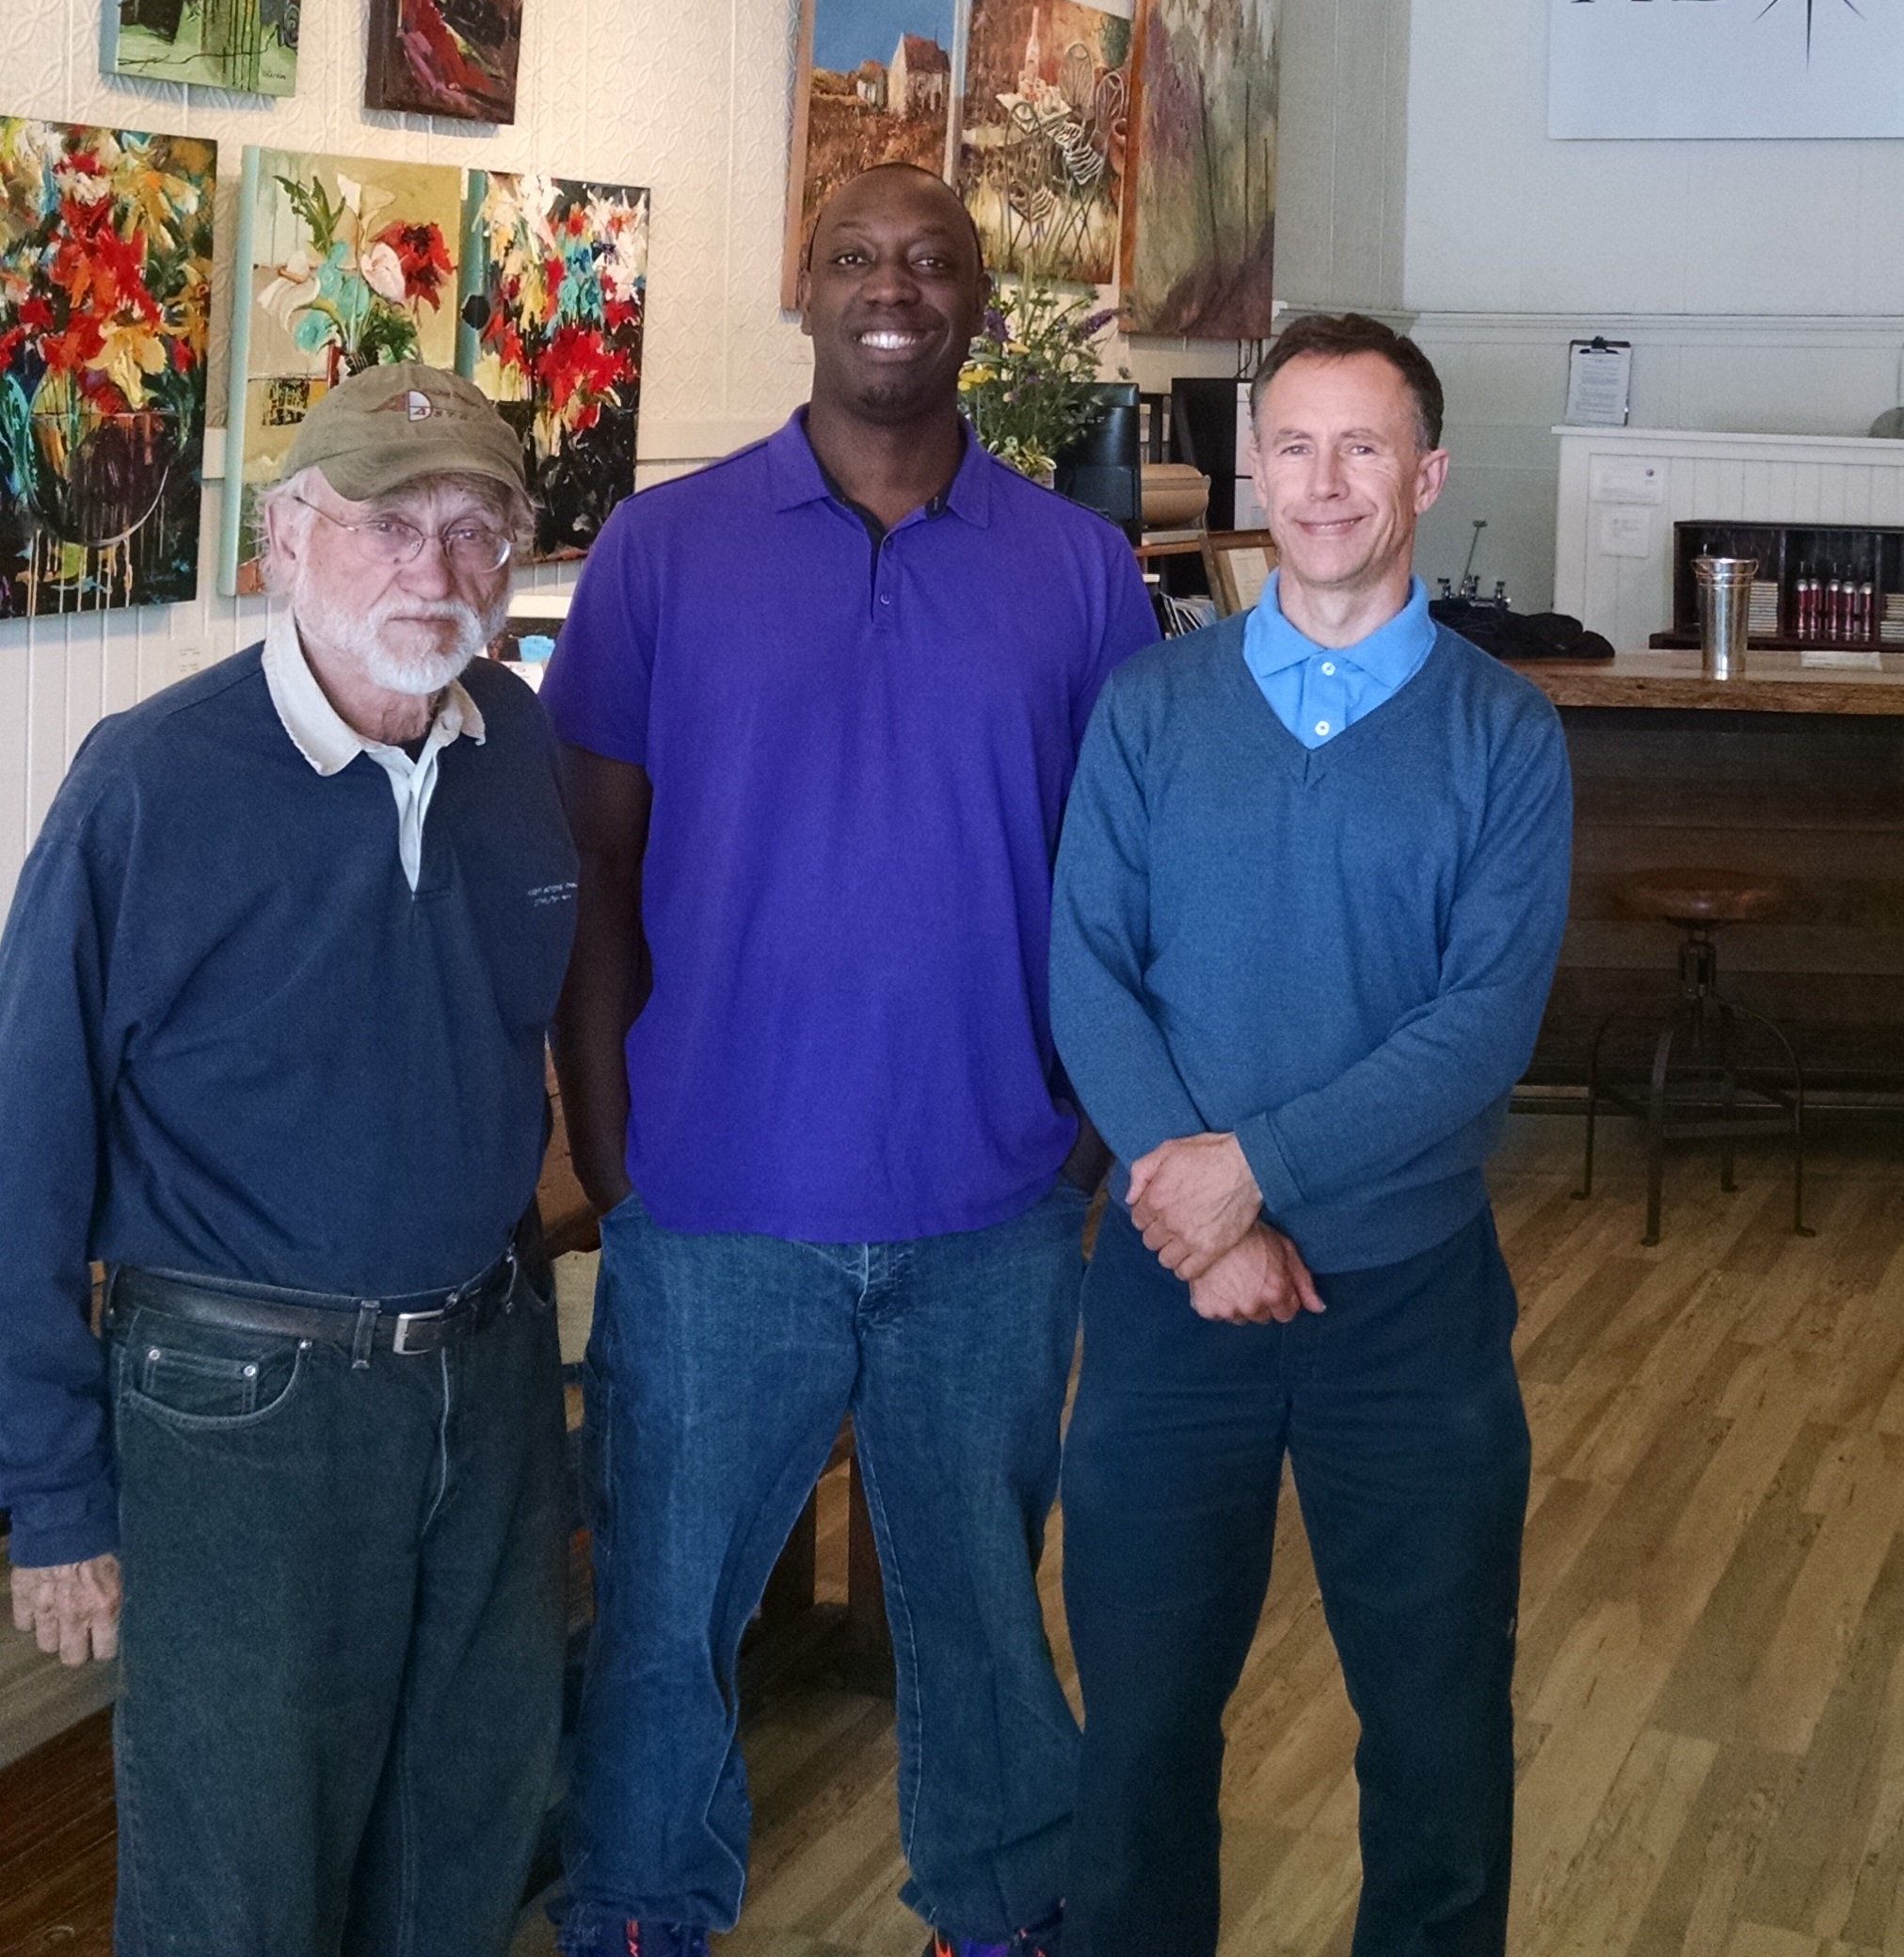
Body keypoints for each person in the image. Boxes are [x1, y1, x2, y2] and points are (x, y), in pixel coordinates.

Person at [542, 163, 1157, 1957]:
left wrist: (1080, 1137)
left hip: (990, 1204)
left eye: (934, 261)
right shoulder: (663, 550)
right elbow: (593, 870)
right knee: (664, 1608)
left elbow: (1127, 877)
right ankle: (639, 1915)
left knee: (979, 1605)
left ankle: (1005, 1907)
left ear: (980, 304)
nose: (896, 287)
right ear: (803, 289)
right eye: (859, 257)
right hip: (714, 1206)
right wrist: (616, 1148)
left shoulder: (1079, 568)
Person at [0, 363, 577, 1957]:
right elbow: (25, 1142)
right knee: (237, 1884)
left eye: (475, 527)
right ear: (282, 543)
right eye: (389, 523)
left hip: (486, 1373)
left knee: (465, 1834)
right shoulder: (152, 779)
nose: (436, 567)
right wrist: (50, 1492)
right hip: (242, 1408)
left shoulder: (516, 740)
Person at [1049, 312, 1574, 1957]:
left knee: (1436, 1742)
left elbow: (1479, 1032)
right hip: (1169, 1299)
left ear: (1427, 474)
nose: (1327, 481)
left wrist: (1253, 1172)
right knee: (1138, 1738)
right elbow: (1086, 974)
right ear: (1253, 468)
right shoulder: (1150, 708)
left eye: (1364, 447)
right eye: (1295, 444)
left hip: (1408, 1311)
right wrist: (1200, 1215)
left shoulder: (1506, 736)